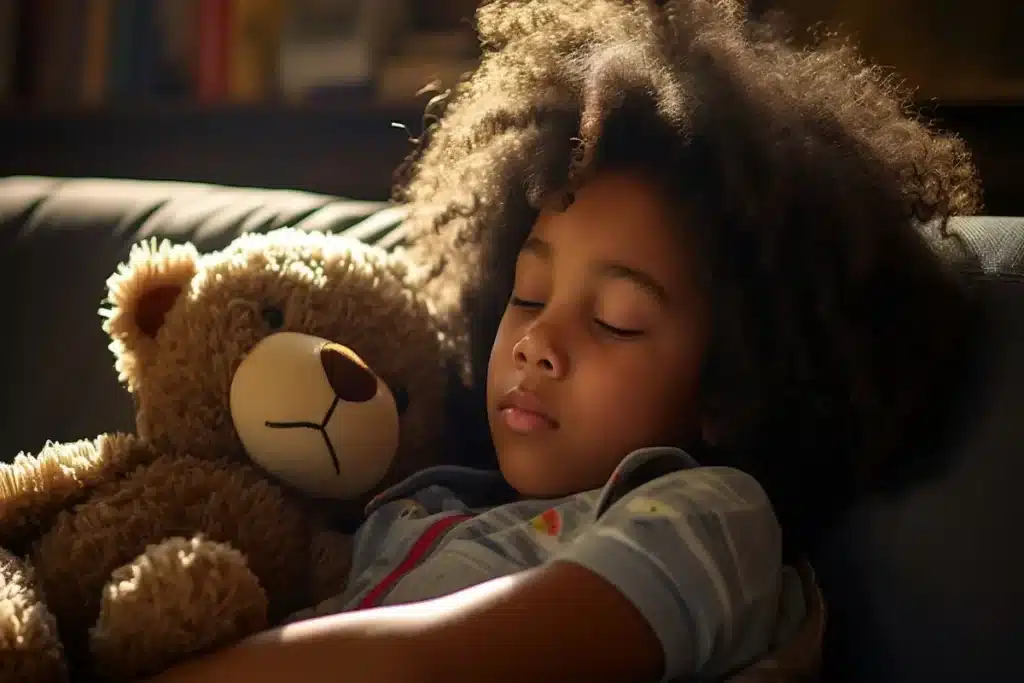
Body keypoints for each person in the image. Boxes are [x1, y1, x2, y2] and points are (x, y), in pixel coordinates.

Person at [148, 0, 979, 681]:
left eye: (615, 318)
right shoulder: (422, 502)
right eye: (530, 291)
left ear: (735, 382)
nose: (539, 339)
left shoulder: (715, 523)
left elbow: (426, 663)